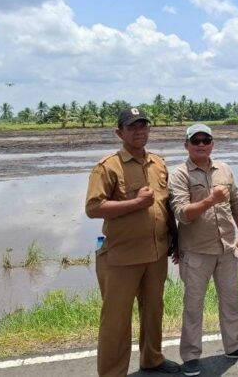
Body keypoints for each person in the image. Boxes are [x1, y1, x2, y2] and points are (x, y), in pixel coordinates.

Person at [84, 107, 180, 376]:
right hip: (120, 257)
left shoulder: (158, 163)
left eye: (143, 126)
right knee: (116, 321)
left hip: (156, 253)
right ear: (119, 133)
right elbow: (93, 208)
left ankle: (152, 359)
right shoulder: (108, 167)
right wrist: (135, 203)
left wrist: (175, 238)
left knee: (153, 311)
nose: (139, 131)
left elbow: (165, 205)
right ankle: (113, 372)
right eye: (132, 127)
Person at [169, 124, 238, 376]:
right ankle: (190, 355)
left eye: (205, 140)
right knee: (193, 305)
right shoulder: (180, 174)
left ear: (212, 144)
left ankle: (233, 345)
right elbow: (182, 214)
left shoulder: (225, 169)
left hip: (227, 248)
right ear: (186, 145)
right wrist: (210, 199)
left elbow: (236, 204)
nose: (201, 144)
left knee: (231, 301)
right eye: (195, 140)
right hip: (196, 251)